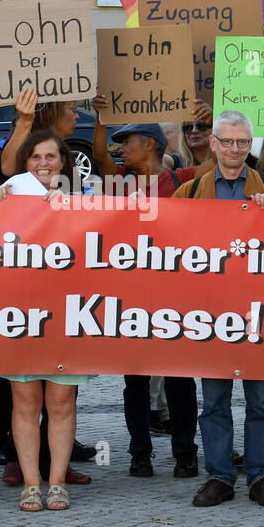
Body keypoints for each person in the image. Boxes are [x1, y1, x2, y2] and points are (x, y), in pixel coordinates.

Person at [170, 110, 264, 508]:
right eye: (228, 141)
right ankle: (220, 476)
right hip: (210, 315)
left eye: (243, 142)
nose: (235, 149)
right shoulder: (188, 192)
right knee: (215, 401)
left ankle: (260, 476)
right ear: (214, 144)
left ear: (249, 146)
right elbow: (163, 243)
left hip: (259, 313)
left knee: (261, 401)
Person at [90, 122, 199, 479]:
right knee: (135, 379)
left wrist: (208, 121)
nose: (121, 149)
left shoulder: (182, 179)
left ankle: (185, 453)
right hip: (133, 293)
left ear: (150, 144)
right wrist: (103, 120)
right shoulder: (119, 180)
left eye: (127, 142)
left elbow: (216, 161)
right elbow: (100, 156)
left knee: (180, 379)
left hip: (176, 293)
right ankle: (140, 454)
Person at [0, 130, 91, 511]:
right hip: (20, 313)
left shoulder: (84, 198)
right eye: (36, 157)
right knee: (25, 398)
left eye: (51, 156)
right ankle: (31, 484)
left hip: (67, 312)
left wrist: (71, 209)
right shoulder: (10, 194)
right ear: (25, 162)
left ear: (64, 161)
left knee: (62, 399)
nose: (44, 164)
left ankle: (57, 482)